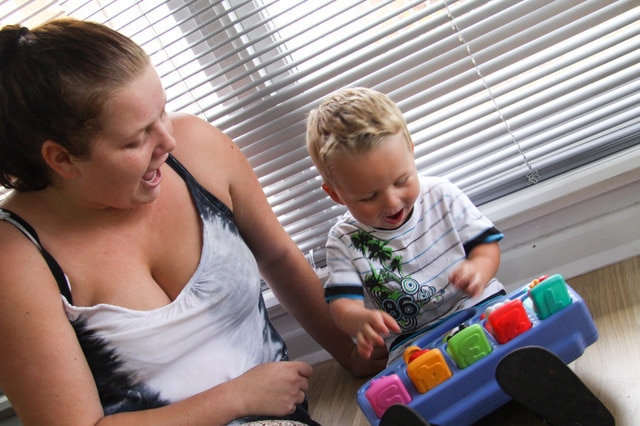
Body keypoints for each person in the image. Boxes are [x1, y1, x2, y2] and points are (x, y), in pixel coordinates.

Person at [0, 19, 387, 426]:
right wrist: (236, 397)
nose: (168, 142)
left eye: (162, 112)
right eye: (136, 139)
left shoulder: (196, 151)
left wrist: (348, 353)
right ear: (61, 159)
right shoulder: (16, 261)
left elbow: (276, 258)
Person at [305, 87, 505, 363]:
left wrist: (477, 270)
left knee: (510, 335)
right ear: (336, 194)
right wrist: (359, 319)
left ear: (411, 153)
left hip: (476, 306)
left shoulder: (442, 194)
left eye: (401, 181)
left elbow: (486, 247)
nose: (391, 201)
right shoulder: (344, 240)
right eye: (368, 196)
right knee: (410, 389)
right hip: (413, 342)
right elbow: (342, 304)